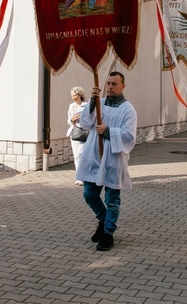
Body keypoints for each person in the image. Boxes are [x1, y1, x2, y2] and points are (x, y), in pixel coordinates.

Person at [75, 71, 137, 251]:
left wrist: (109, 131)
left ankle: (108, 233)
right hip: (94, 153)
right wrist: (93, 102)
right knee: (89, 194)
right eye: (108, 83)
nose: (110, 87)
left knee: (112, 199)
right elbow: (86, 123)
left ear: (122, 86)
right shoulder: (100, 103)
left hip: (113, 157)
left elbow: (130, 137)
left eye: (114, 84)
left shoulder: (128, 109)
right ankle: (103, 220)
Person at [67, 86, 89, 186]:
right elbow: (68, 121)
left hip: (84, 132)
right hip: (74, 133)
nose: (73, 97)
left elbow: (91, 120)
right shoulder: (71, 106)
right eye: (72, 95)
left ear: (79, 95)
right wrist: (72, 119)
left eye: (74, 95)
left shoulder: (86, 105)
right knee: (76, 156)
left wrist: (82, 118)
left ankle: (82, 176)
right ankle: (79, 176)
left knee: (81, 154)